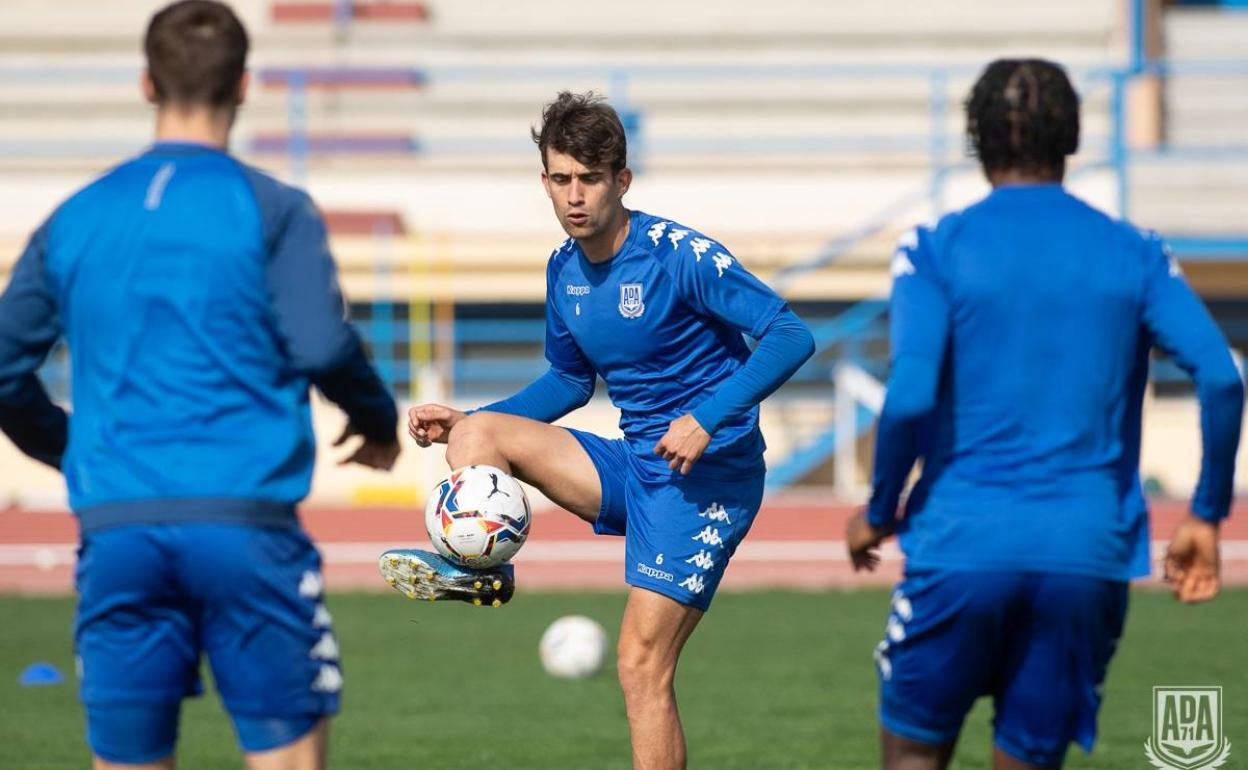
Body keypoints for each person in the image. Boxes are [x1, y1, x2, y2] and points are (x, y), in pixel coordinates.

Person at [0, 2, 400, 768]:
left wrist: (71, 446)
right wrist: (376, 419)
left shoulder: (76, 217)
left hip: (117, 530)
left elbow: (2, 368)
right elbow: (320, 343)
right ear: (245, 85)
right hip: (245, 527)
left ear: (147, 84)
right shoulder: (275, 209)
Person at [382, 91, 814, 770]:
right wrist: (474, 416)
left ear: (622, 181)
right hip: (635, 462)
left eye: (589, 179)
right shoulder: (564, 271)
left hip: (703, 481)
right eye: (561, 180)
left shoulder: (677, 255)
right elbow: (568, 383)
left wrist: (707, 418)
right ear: (545, 181)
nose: (574, 197)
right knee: (478, 441)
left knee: (641, 671)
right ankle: (480, 571)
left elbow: (790, 335)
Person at [845, 58, 1243, 770]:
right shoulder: (1138, 250)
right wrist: (1207, 514)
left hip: (961, 544)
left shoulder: (935, 248)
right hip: (1086, 552)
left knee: (911, 752)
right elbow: (1219, 376)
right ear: (1073, 136)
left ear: (977, 137)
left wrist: (879, 509)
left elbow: (908, 396)